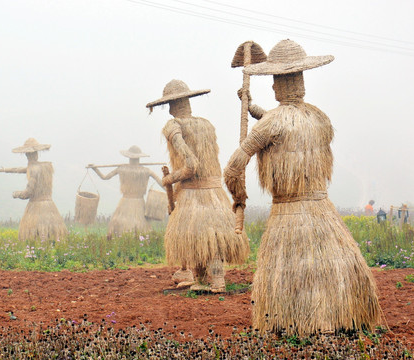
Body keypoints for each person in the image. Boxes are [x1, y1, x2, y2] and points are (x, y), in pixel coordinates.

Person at [224, 40, 380, 335]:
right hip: (323, 212)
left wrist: (239, 197)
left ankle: (301, 324)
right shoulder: (319, 119)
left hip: (287, 215)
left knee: (292, 271)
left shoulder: (272, 124)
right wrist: (250, 105)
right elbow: (283, 123)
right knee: (329, 265)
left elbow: (234, 167)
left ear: (275, 85)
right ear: (302, 80)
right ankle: (338, 318)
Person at [146, 79, 249, 292]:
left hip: (193, 193)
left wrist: (169, 179)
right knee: (207, 237)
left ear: (172, 105)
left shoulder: (173, 126)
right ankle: (204, 281)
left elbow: (191, 165)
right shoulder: (206, 124)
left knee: (200, 234)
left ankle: (215, 282)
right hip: (214, 193)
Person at [0, 138, 68, 241]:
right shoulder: (46, 167)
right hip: (50, 207)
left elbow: (28, 192)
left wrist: (17, 194)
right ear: (36, 154)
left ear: (27, 155)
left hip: (36, 208)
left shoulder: (33, 170)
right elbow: (21, 169)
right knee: (54, 237)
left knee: (34, 237)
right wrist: (6, 170)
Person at [89, 146, 164, 237]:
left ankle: (122, 242)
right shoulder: (146, 171)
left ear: (129, 157)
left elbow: (105, 177)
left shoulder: (122, 168)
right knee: (141, 227)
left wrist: (95, 169)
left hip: (125, 203)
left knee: (119, 224)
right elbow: (162, 183)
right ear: (139, 157)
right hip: (138, 203)